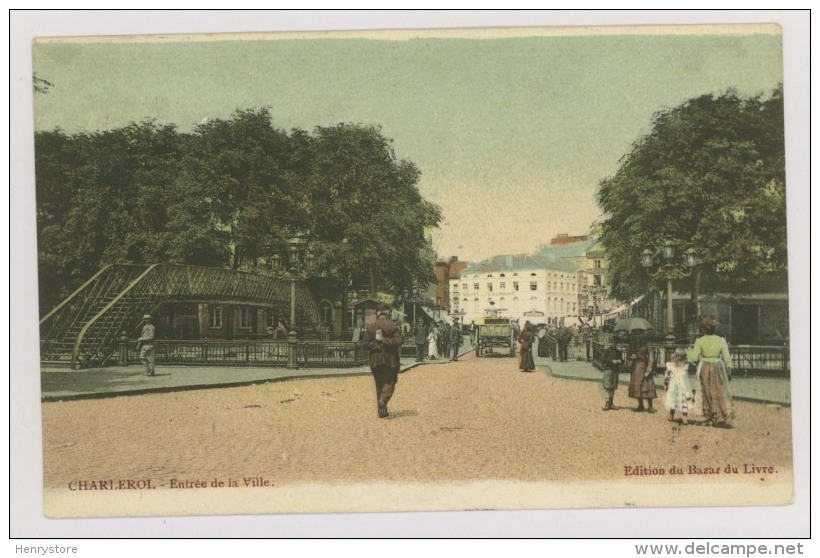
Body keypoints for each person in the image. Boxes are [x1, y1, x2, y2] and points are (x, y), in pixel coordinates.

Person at [688, 317, 734, 428]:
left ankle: (709, 416)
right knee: (719, 391)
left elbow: (693, 358)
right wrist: (729, 369)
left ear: (703, 329)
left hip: (704, 366)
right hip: (718, 366)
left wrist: (689, 352)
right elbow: (727, 357)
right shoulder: (721, 340)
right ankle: (724, 415)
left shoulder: (700, 341)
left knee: (705, 391)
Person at [361, 304, 403, 418]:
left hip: (375, 360)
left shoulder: (371, 326)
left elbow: (364, 344)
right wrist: (384, 341)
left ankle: (382, 412)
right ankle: (383, 401)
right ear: (387, 313)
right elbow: (398, 341)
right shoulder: (393, 325)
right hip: (390, 360)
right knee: (390, 381)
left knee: (379, 384)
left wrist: (376, 344)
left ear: (377, 313)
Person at [626, 330, 656, 412]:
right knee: (637, 385)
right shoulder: (632, 343)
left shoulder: (647, 342)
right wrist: (631, 358)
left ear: (643, 334)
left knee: (648, 385)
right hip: (635, 366)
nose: (637, 335)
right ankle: (640, 405)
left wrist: (650, 366)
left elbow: (650, 354)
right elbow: (628, 354)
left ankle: (650, 406)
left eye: (639, 333)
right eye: (635, 333)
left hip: (644, 365)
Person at [664, 348, 694, 424]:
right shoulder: (671, 366)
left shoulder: (684, 367)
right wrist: (666, 383)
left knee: (684, 402)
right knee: (672, 401)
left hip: (682, 388)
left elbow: (685, 378)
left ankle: (684, 417)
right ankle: (671, 415)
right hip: (674, 387)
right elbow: (667, 376)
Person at [600, 340, 623, 410]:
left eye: (616, 342)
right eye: (613, 342)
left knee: (613, 386)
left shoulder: (618, 352)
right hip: (608, 369)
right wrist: (611, 361)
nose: (614, 344)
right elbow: (602, 360)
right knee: (607, 386)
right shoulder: (607, 351)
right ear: (610, 343)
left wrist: (620, 361)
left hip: (615, 370)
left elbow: (622, 361)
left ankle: (611, 403)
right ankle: (607, 403)